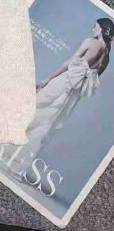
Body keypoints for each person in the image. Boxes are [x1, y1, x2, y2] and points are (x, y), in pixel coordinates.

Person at [12, 18, 114, 178]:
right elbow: (92, 80)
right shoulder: (107, 58)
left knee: (38, 104)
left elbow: (69, 62)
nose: (93, 29)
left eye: (95, 26)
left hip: (65, 81)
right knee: (50, 124)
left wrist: (47, 78)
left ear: (102, 29)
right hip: (74, 93)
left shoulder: (90, 42)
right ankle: (21, 167)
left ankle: (10, 140)